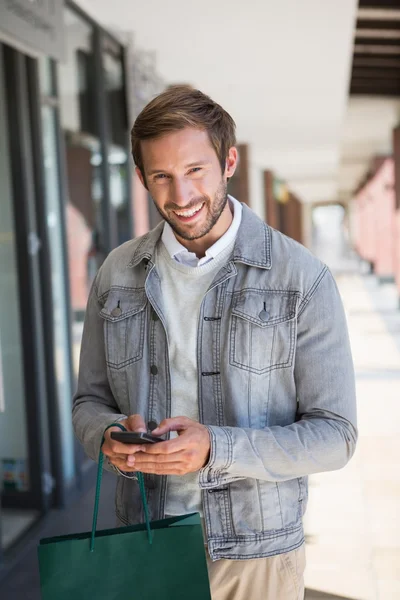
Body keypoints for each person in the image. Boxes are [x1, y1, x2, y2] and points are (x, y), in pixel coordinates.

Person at [72, 85, 357, 600]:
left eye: (195, 171)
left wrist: (215, 449)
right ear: (140, 178)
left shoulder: (302, 278)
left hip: (257, 558)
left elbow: (336, 435)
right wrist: (110, 437)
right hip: (144, 540)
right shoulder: (116, 273)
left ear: (228, 162)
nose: (180, 196)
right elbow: (87, 404)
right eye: (161, 176)